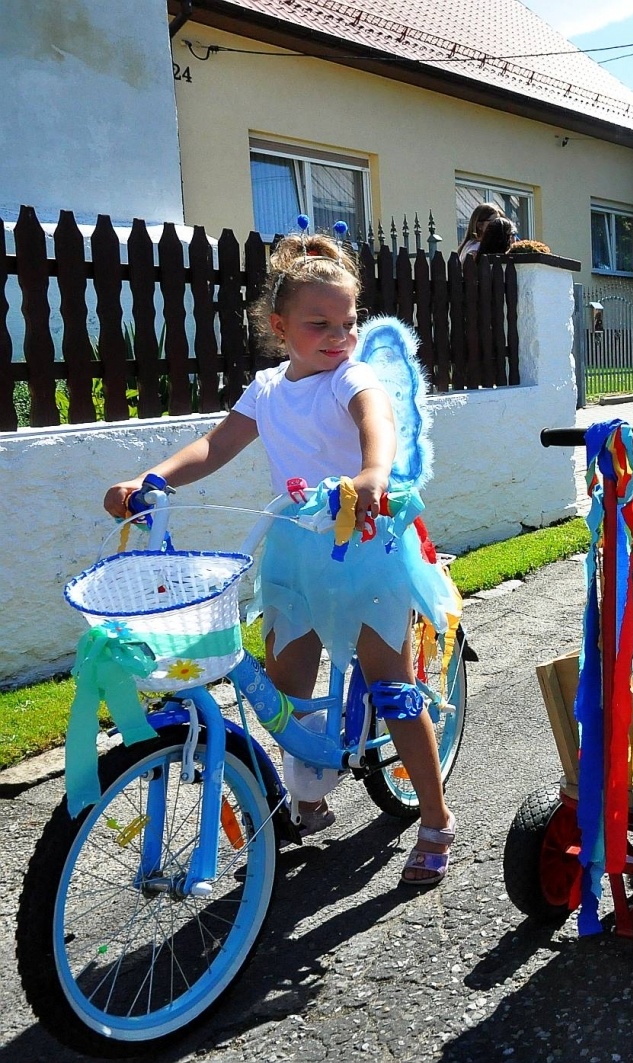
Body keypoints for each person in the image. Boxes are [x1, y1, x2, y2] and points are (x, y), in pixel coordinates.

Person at [102, 233, 460, 887]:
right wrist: (151, 477)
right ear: (279, 327)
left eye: (347, 323)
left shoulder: (352, 377)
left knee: (394, 687)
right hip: (295, 552)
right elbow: (216, 445)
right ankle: (310, 795)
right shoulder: (267, 390)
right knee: (282, 685)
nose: (338, 337)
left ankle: (435, 815)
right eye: (319, 324)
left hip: (365, 544)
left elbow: (374, 419)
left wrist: (373, 470)